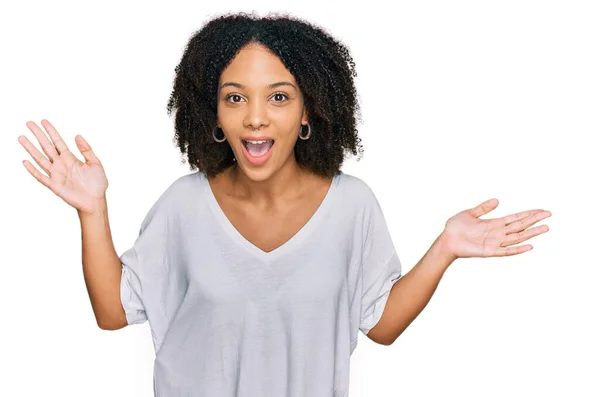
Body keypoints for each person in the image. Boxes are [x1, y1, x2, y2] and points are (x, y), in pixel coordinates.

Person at [17, 11, 552, 397]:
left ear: (307, 113)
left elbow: (381, 326)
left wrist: (444, 249)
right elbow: (113, 313)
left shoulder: (352, 206)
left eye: (278, 96)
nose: (255, 117)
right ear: (216, 117)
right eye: (235, 97)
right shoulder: (184, 205)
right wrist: (92, 210)